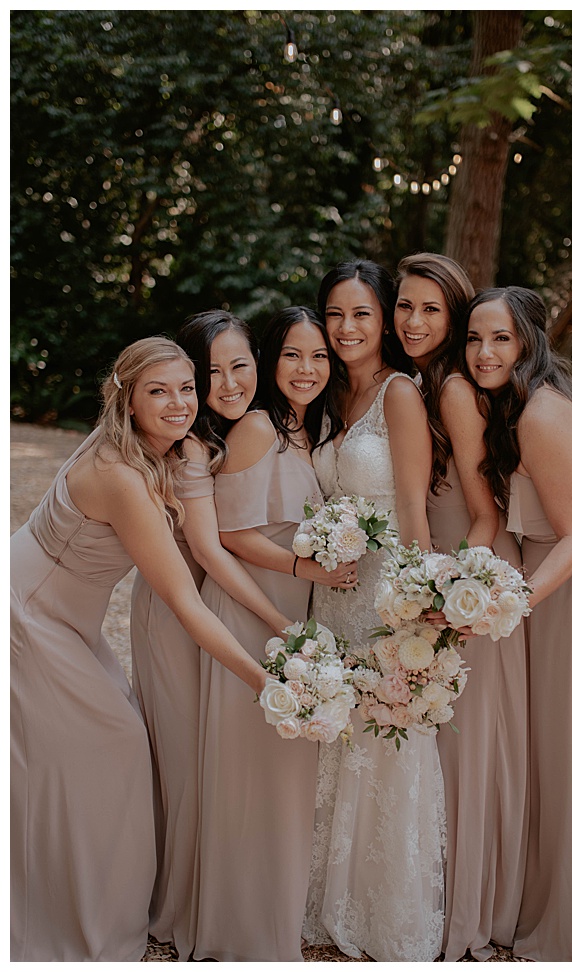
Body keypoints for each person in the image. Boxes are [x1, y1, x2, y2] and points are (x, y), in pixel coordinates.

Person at [11, 337, 276, 961]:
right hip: (29, 617)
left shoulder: (161, 446)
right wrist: (265, 679)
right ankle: (71, 918)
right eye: (158, 391)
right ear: (126, 401)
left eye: (186, 387)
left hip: (66, 618)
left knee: (100, 745)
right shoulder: (120, 476)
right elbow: (185, 602)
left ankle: (72, 897)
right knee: (112, 744)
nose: (178, 403)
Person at [465, 286, 572, 960]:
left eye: (501, 339)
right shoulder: (527, 404)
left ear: (530, 342)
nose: (485, 352)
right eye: (475, 339)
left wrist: (508, 605)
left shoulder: (539, 415)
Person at [130, 311, 296, 959]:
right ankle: (176, 912)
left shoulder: (230, 431)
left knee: (205, 765)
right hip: (176, 615)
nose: (228, 383)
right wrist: (285, 622)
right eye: (211, 372)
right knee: (184, 763)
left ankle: (195, 901)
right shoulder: (193, 444)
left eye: (240, 366)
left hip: (208, 605)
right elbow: (209, 547)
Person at [191, 307, 351, 961]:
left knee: (279, 773)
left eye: (318, 356)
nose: (307, 369)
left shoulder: (304, 428)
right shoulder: (259, 427)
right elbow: (228, 536)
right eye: (292, 355)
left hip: (289, 610)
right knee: (248, 774)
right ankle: (242, 932)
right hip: (252, 609)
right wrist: (300, 571)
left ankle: (270, 918)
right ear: (270, 360)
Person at [303, 260, 446, 961]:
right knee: (338, 737)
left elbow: (415, 507)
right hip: (332, 591)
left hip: (385, 591)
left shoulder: (399, 395)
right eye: (334, 315)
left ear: (383, 318)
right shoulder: (328, 392)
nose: (346, 328)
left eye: (361, 314)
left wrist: (420, 617)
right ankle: (325, 899)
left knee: (383, 736)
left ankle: (380, 910)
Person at [394, 252, 528, 960]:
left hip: (463, 579)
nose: (414, 321)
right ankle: (444, 895)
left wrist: (451, 598)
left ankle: (467, 912)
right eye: (405, 306)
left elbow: (486, 512)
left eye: (431, 309)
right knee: (446, 746)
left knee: (468, 746)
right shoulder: (421, 384)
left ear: (454, 316)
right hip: (445, 575)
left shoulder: (448, 390)